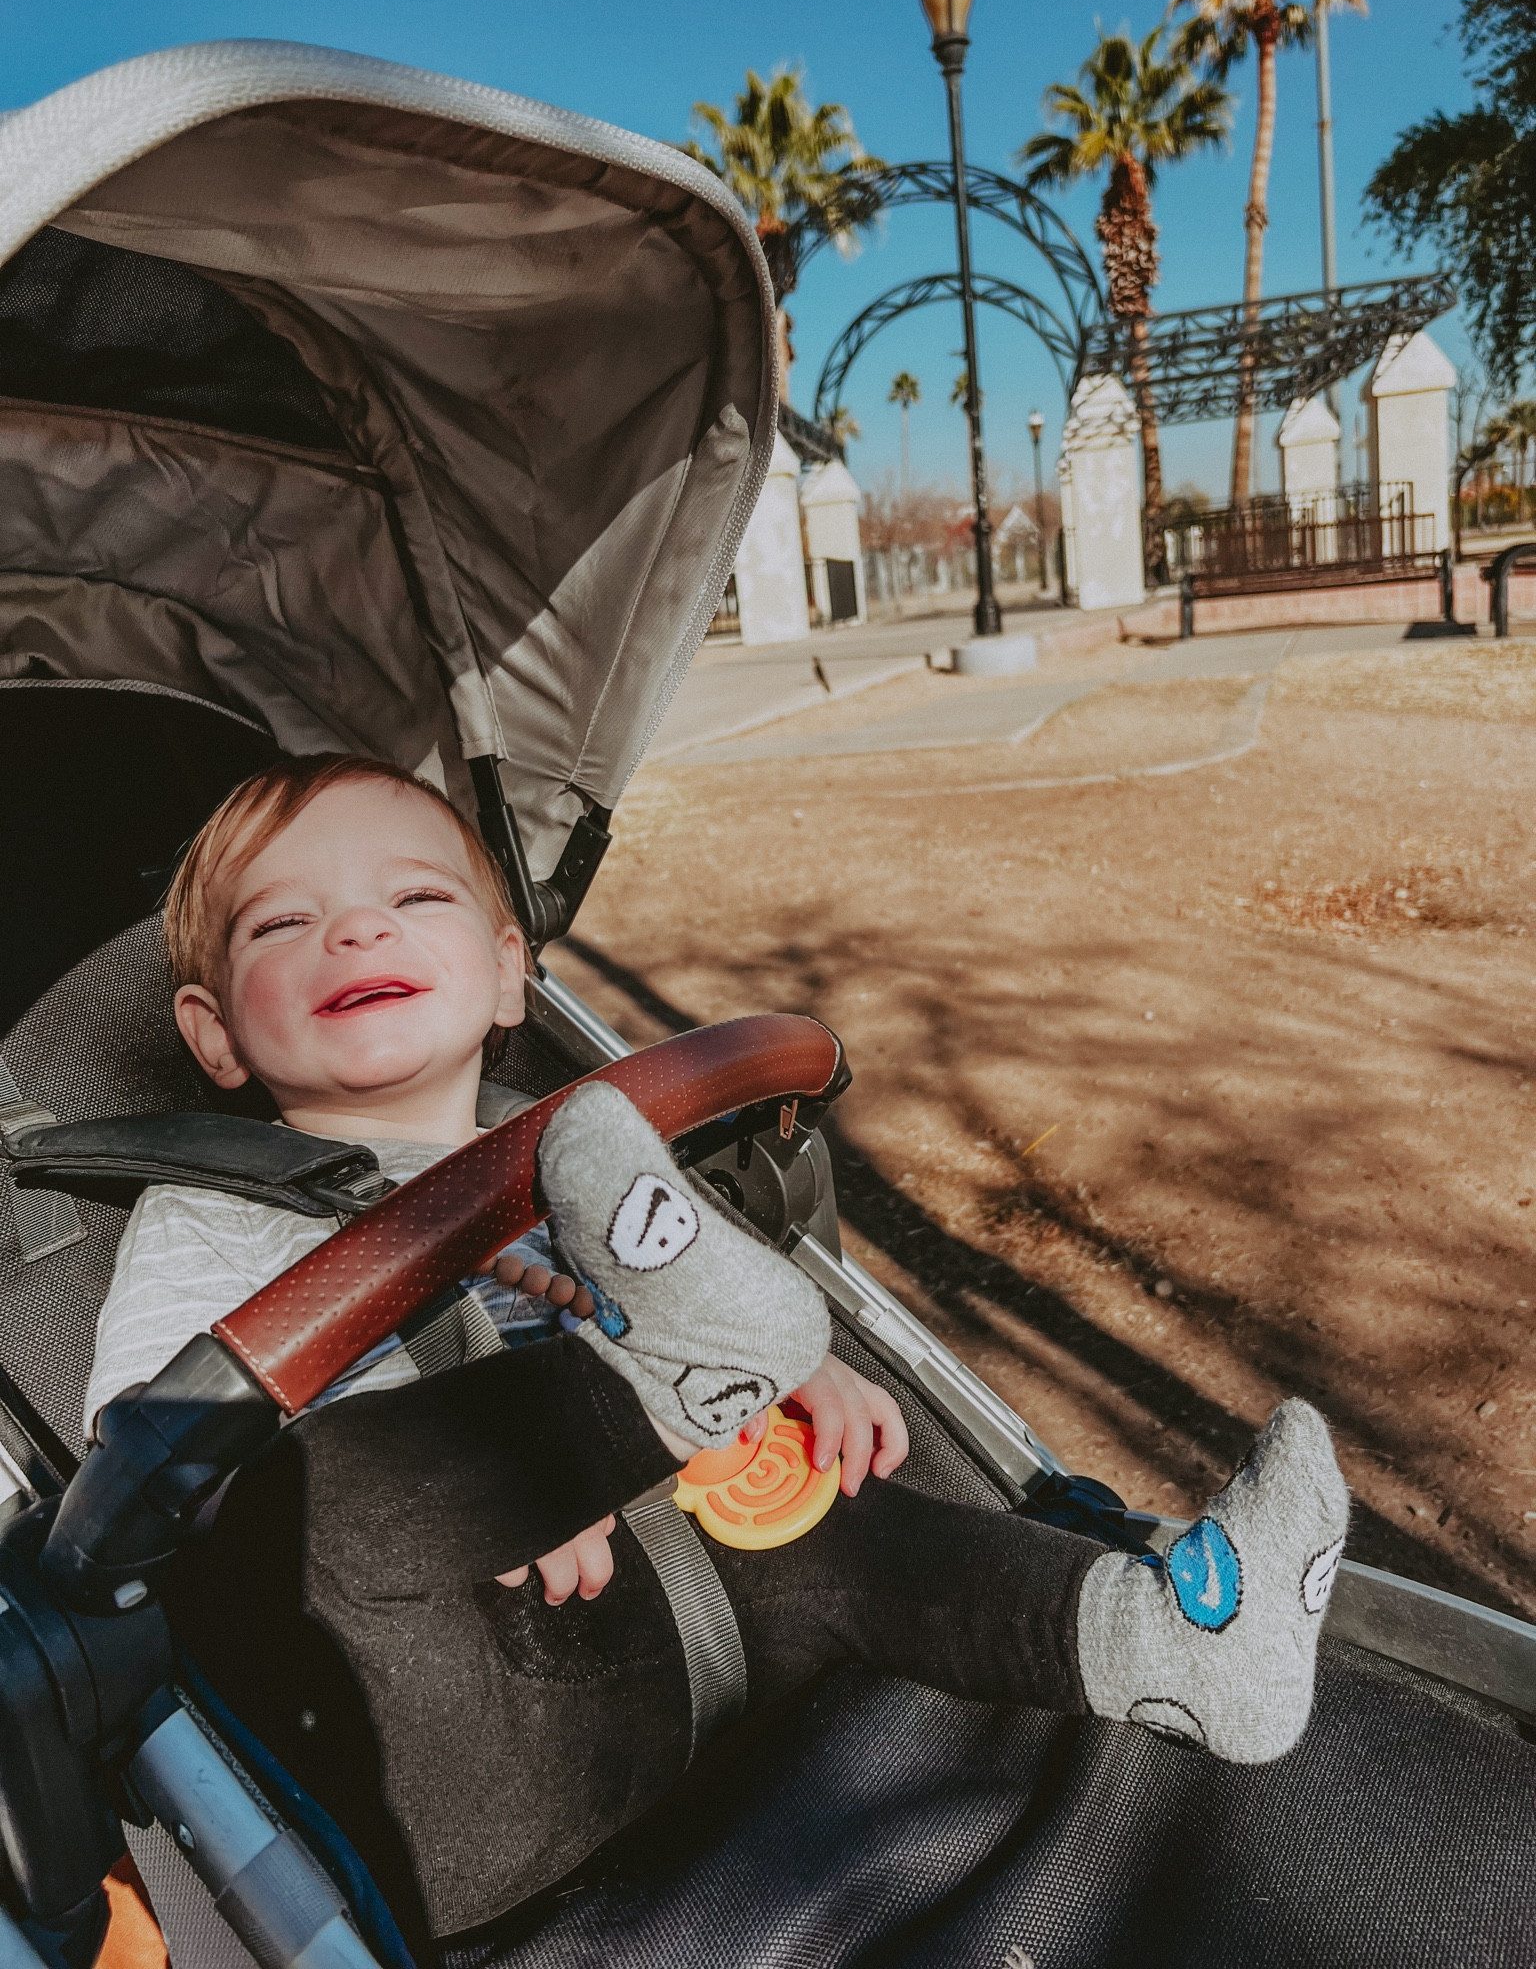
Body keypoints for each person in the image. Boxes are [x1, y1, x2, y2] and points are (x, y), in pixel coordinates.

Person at [87, 754, 1349, 1949]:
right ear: (213, 1034)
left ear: (511, 969)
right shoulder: (207, 1213)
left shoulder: (577, 1155)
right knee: (271, 1506)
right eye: (281, 924)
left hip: (677, 1658)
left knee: (837, 1527)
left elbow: (728, 1350)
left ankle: (1182, 1647)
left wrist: (802, 1375)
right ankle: (648, 1393)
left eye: (414, 896)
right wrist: (491, 1483)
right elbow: (148, 1483)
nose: (356, 932)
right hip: (446, 1750)